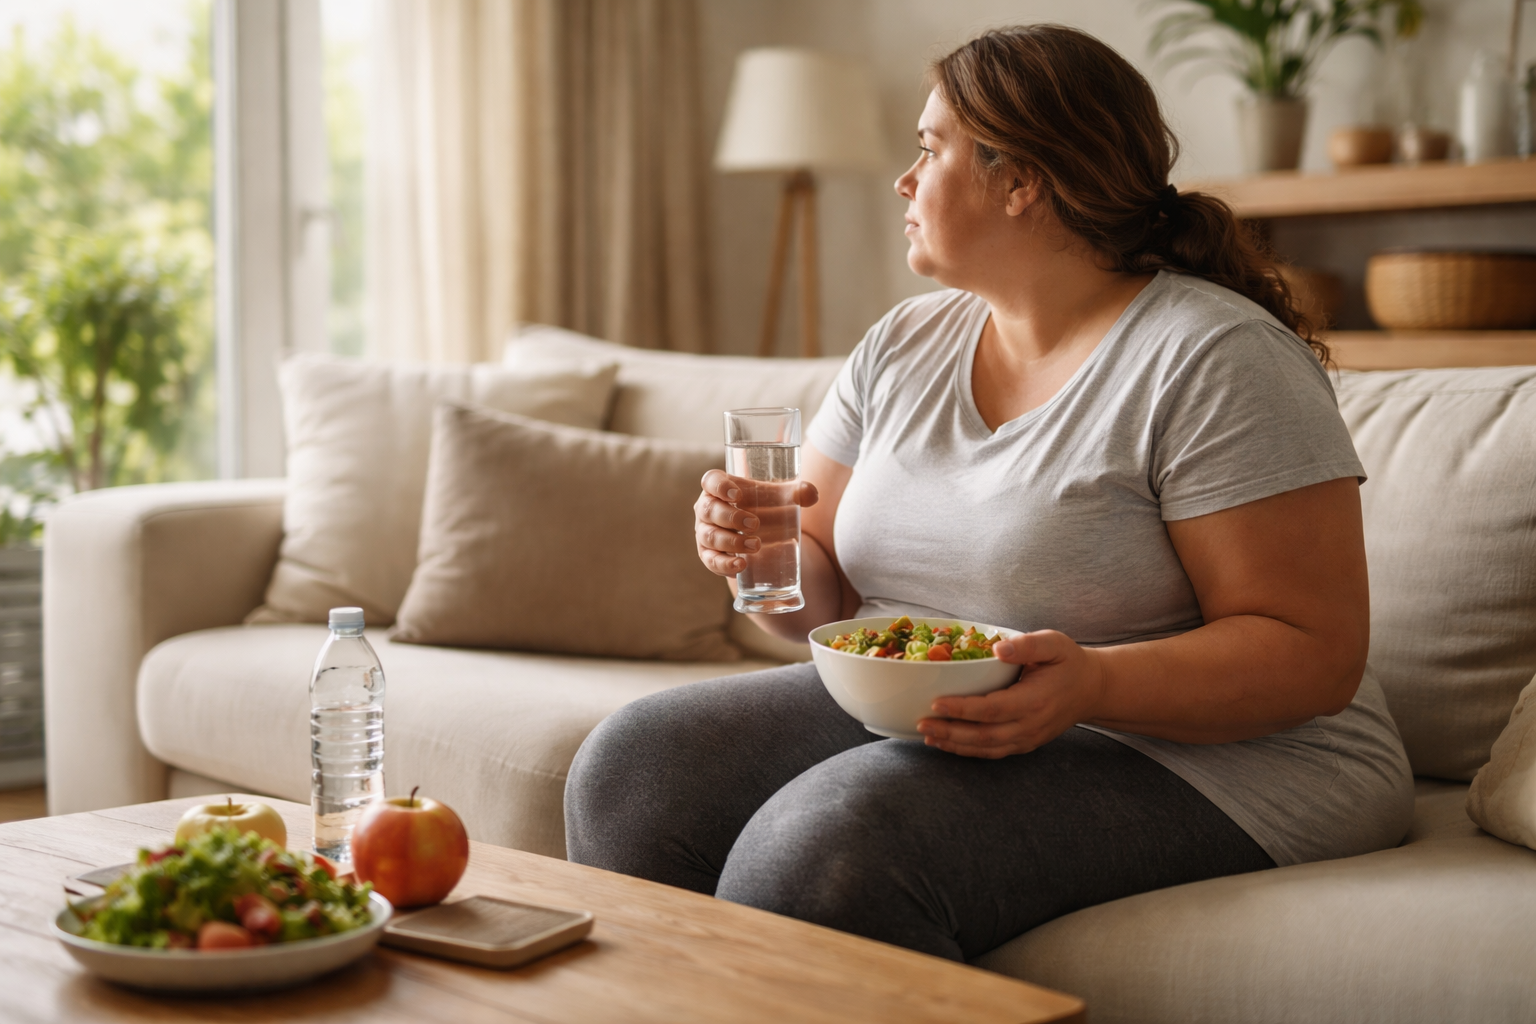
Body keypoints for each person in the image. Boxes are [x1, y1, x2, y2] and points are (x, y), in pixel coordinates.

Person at [564, 24, 1414, 962]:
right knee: (634, 769)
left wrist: (1093, 681)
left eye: (930, 149)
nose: (904, 178)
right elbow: (831, 600)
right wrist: (761, 553)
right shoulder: (903, 345)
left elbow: (1315, 655)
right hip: (944, 707)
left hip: (1221, 758)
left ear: (1022, 182)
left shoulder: (1215, 359)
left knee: (822, 848)